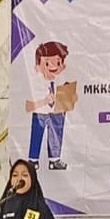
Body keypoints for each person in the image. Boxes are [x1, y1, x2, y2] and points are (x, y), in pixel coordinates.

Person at [25, 41, 75, 171]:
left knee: (56, 134)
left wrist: (70, 98)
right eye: (47, 63)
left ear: (63, 65)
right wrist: (45, 100)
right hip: (40, 112)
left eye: (58, 63)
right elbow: (29, 106)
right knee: (37, 134)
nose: (53, 67)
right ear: (38, 66)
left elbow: (70, 98)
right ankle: (33, 160)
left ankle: (54, 160)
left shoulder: (61, 81)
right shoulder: (35, 83)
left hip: (57, 112)